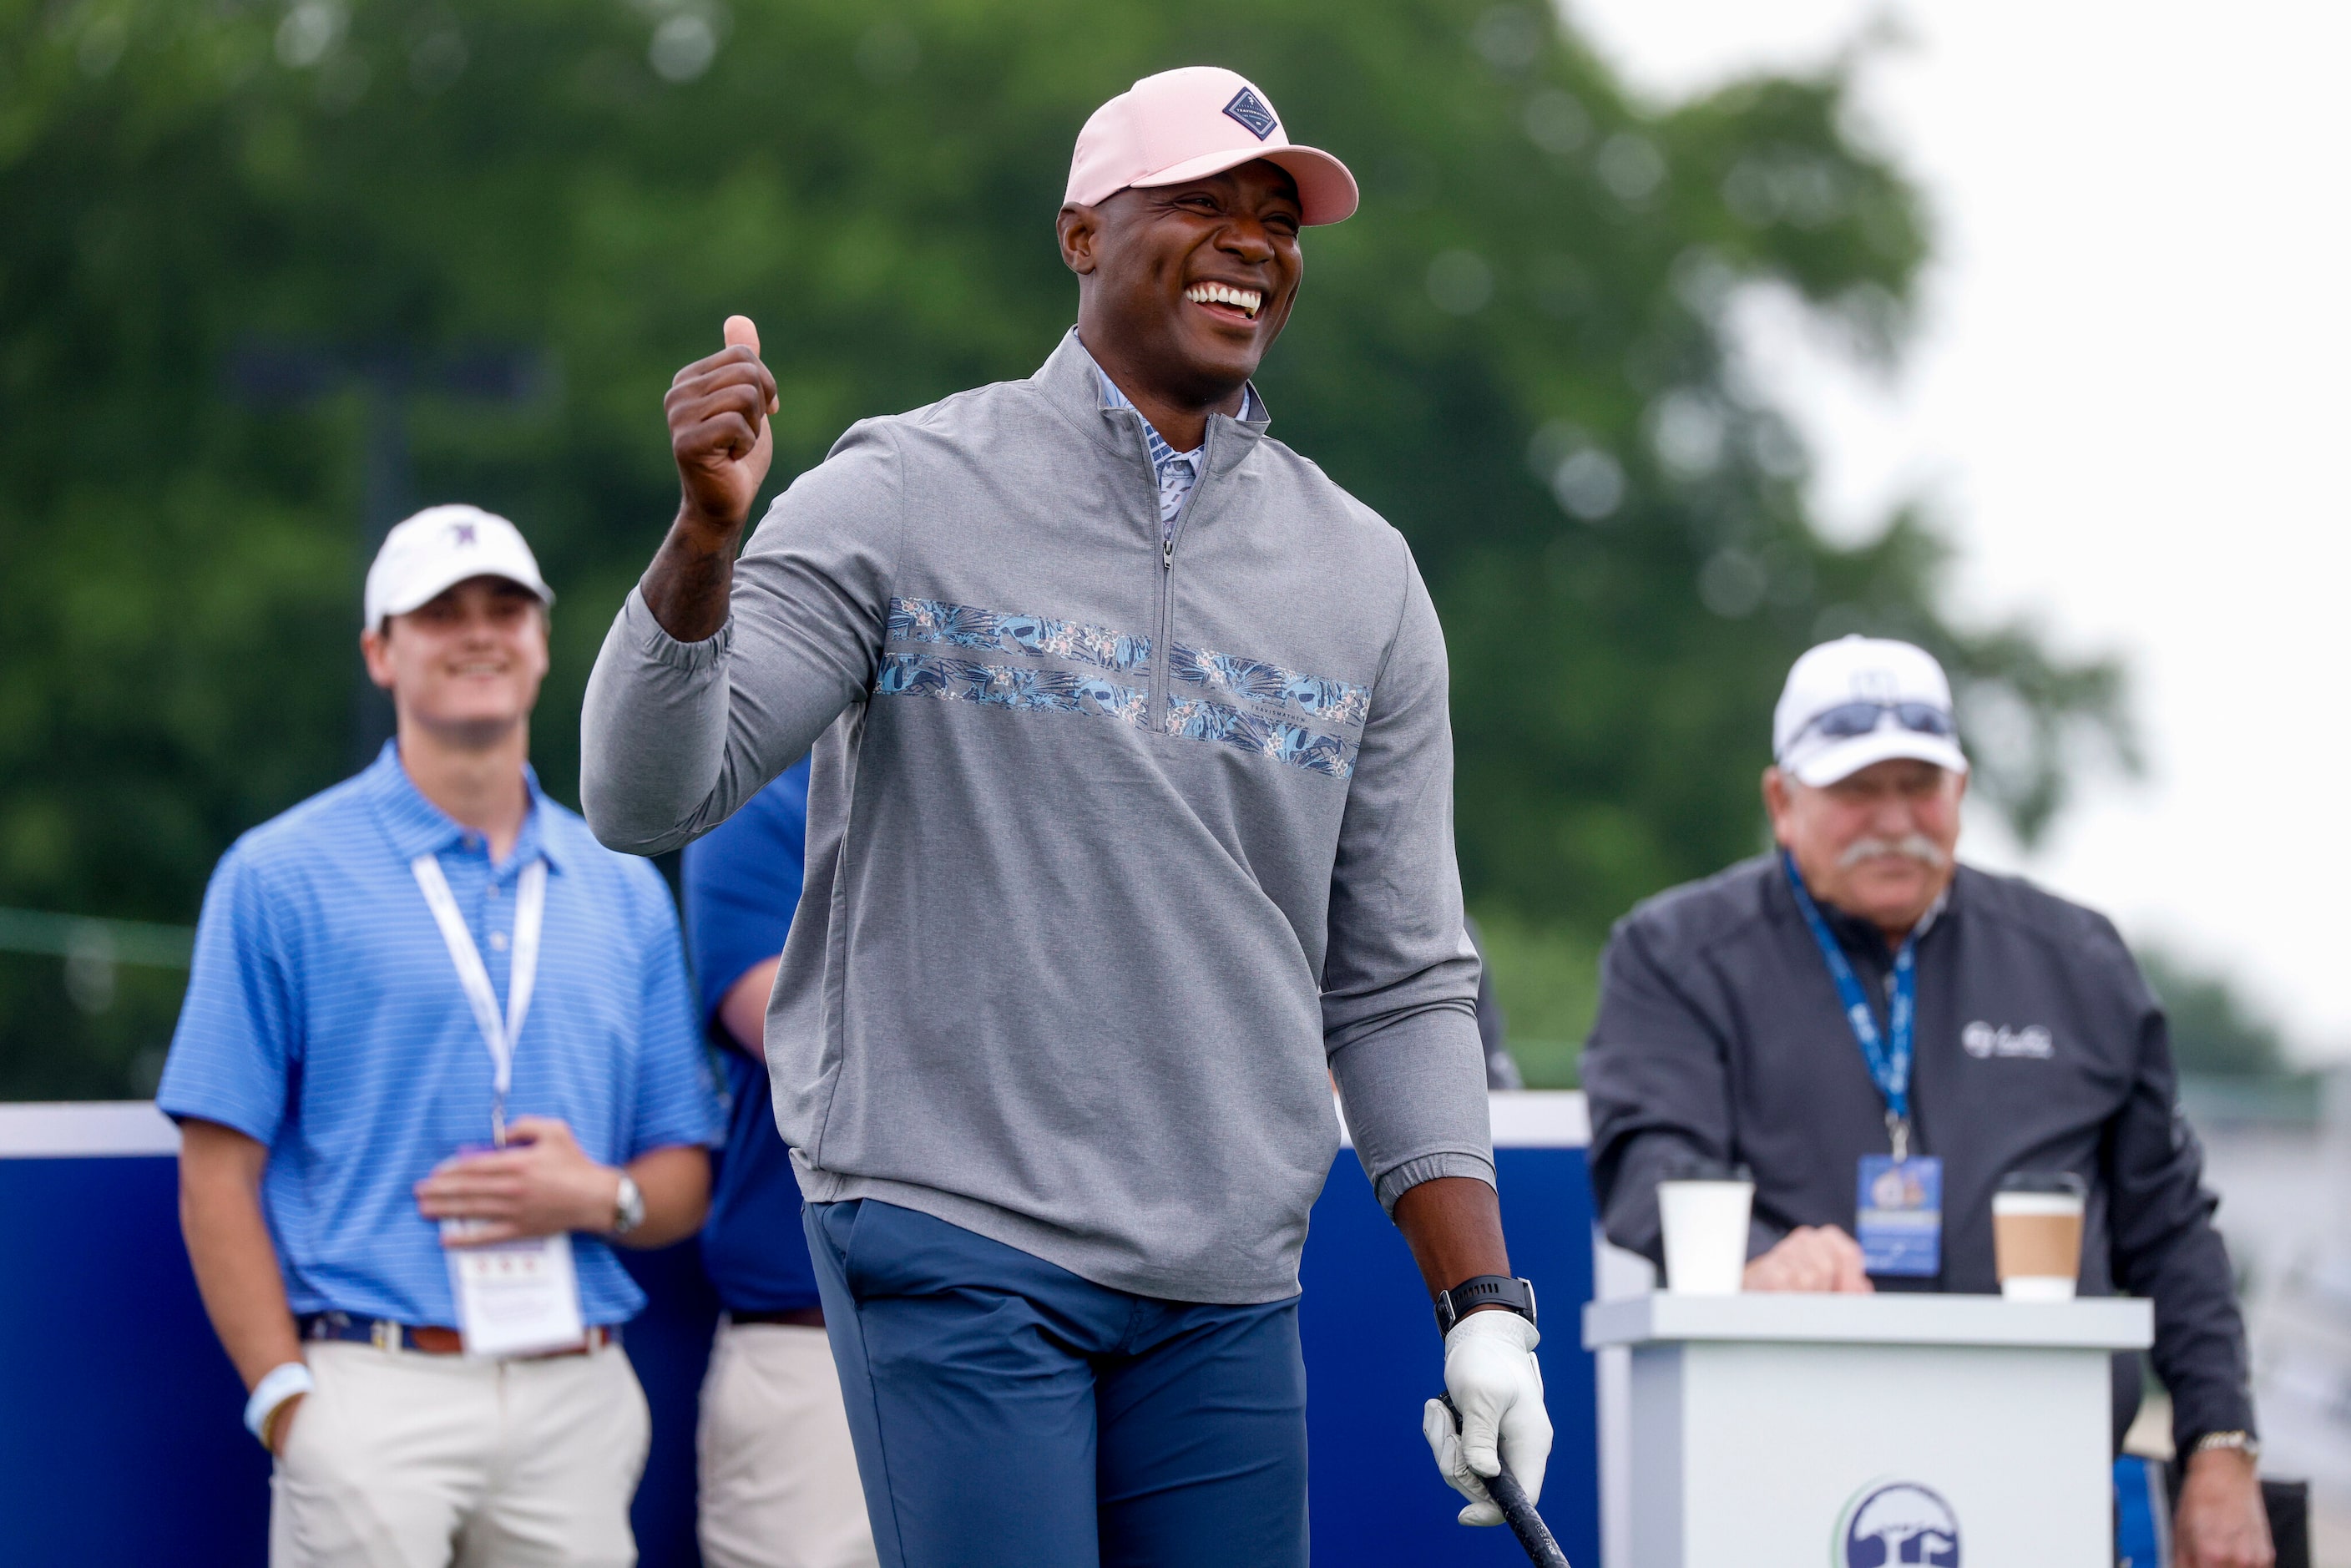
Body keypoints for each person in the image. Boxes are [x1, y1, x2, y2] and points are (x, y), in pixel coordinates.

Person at [579, 64, 1550, 1568]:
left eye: (1278, 220)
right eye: (1204, 206)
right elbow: (646, 791)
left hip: (1226, 1273)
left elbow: (1402, 977)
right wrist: (704, 544)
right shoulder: (902, 487)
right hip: (954, 1223)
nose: (1253, 243)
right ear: (1082, 233)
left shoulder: (1364, 575)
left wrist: (1484, 1309)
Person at [1581, 635, 2274, 1568]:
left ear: (1961, 793)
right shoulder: (1674, 954)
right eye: (1856, 790)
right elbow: (1646, 1161)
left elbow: (2169, 1227)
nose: (1892, 819)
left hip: (2041, 1487)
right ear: (1782, 802)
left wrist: (2219, 1447)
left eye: (1918, 786)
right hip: (1773, 1477)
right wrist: (1755, 1260)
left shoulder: (2077, 962)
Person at [160, 504, 721, 1568]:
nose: (478, 632)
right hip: (373, 1393)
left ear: (545, 641)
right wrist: (290, 1405)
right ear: (380, 651)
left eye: (505, 608)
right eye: (439, 613)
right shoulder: (278, 875)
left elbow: (682, 1167)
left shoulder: (624, 890)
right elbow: (215, 1174)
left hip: (573, 1390)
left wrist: (600, 1197)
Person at [680, 757, 877, 1568]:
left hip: (1024, 1342)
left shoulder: (1041, 793)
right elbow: (807, 1046)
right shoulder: (761, 808)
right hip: (814, 1354)